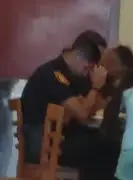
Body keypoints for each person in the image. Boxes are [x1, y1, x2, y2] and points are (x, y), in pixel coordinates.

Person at [21, 31, 109, 180]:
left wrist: (98, 87)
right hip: (42, 146)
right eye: (88, 67)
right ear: (79, 56)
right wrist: (95, 88)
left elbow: (92, 107)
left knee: (103, 143)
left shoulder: (71, 74)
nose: (89, 71)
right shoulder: (53, 74)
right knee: (102, 148)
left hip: (54, 140)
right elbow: (82, 113)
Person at [99, 45, 133, 179]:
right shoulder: (105, 81)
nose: (106, 65)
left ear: (124, 66)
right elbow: (99, 103)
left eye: (111, 62)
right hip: (108, 132)